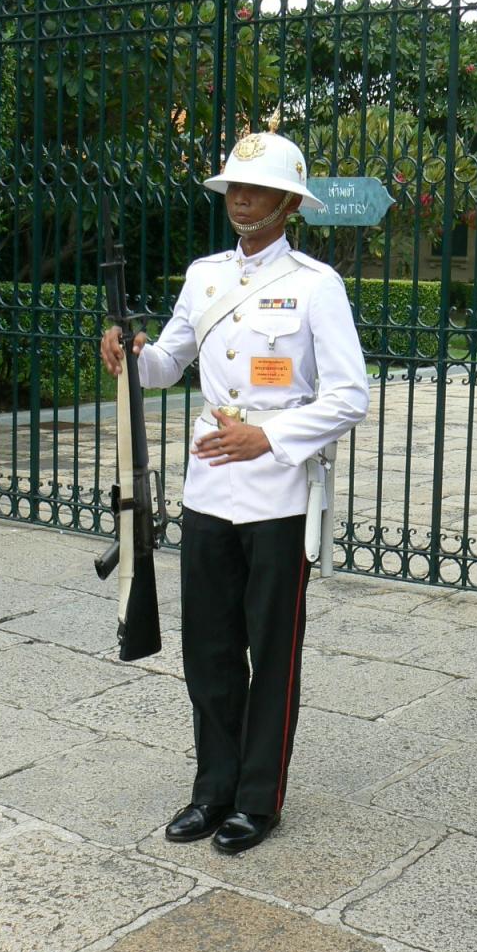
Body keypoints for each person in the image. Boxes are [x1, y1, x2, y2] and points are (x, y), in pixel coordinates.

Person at [100, 118, 369, 853]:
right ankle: (212, 788)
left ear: (290, 204)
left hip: (279, 493)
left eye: (259, 189)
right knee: (210, 650)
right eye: (235, 187)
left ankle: (258, 799)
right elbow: (167, 365)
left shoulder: (316, 286)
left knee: (271, 652)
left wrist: (270, 437)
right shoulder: (205, 276)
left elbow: (350, 396)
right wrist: (130, 352)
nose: (242, 199)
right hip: (210, 489)